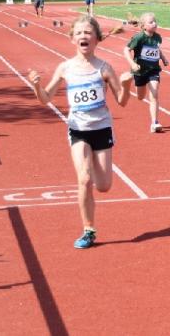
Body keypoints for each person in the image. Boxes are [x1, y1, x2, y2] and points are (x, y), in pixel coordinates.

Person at [28, 16, 132, 249]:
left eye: (88, 32)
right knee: (84, 179)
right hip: (78, 130)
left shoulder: (104, 68)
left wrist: (126, 86)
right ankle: (88, 230)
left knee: (104, 186)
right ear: (72, 39)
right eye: (79, 33)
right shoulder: (65, 68)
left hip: (101, 129)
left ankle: (93, 168)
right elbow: (45, 99)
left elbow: (122, 101)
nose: (83, 36)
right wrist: (36, 86)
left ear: (96, 39)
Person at [124, 12, 169, 133]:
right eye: (151, 22)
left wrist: (163, 58)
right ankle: (137, 87)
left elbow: (156, 49)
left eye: (155, 21)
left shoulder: (158, 37)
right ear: (143, 26)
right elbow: (126, 50)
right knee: (140, 97)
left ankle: (154, 122)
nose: (154, 24)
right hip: (140, 71)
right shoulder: (139, 38)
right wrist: (132, 64)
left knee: (154, 94)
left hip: (153, 70)